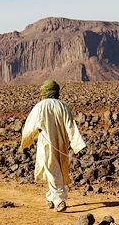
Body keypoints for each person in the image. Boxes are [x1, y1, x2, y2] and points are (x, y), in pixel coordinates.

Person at [20, 79, 86, 212]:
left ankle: (58, 200)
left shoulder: (39, 107)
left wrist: (26, 142)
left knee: (52, 168)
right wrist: (76, 145)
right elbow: (71, 127)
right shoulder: (63, 106)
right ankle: (51, 197)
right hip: (62, 143)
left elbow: (29, 127)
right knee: (55, 169)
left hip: (46, 143)